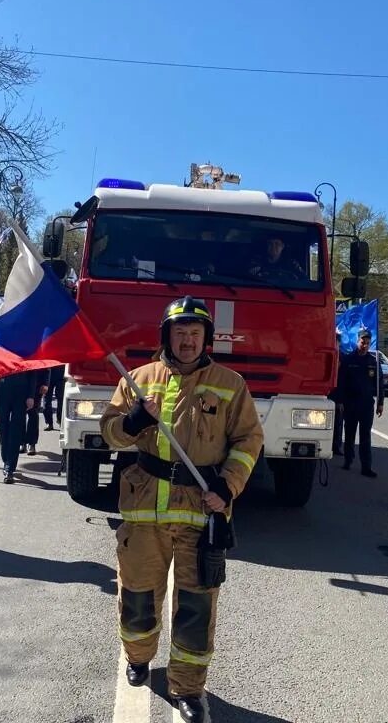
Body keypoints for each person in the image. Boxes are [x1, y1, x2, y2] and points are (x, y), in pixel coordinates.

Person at [99, 296, 263, 723]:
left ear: (206, 338)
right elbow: (111, 434)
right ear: (166, 337)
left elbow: (249, 441)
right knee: (137, 597)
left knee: (196, 607)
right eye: (180, 333)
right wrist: (134, 421)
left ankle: (188, 688)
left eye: (195, 334)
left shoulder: (231, 384)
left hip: (201, 513)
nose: (187, 341)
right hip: (143, 511)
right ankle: (138, 659)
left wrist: (227, 486)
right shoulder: (137, 380)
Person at [332, 329, 384, 477]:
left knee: (365, 436)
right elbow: (341, 382)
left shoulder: (373, 362)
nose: (365, 345)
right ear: (357, 341)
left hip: (366, 404)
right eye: (363, 342)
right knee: (349, 434)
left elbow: (379, 383)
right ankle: (348, 460)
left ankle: (366, 466)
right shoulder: (349, 360)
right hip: (350, 403)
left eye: (367, 343)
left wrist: (380, 403)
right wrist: (340, 400)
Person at [0, 370, 37, 483]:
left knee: (16, 430)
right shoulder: (0, 351)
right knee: (2, 429)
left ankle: (10, 467)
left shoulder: (25, 351)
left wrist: (31, 395)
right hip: (2, 392)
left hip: (21, 393)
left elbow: (32, 372)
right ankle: (6, 460)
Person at [43, 364, 65, 431]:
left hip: (61, 373)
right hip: (48, 372)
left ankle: (60, 419)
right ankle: (49, 423)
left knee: (61, 399)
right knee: (47, 400)